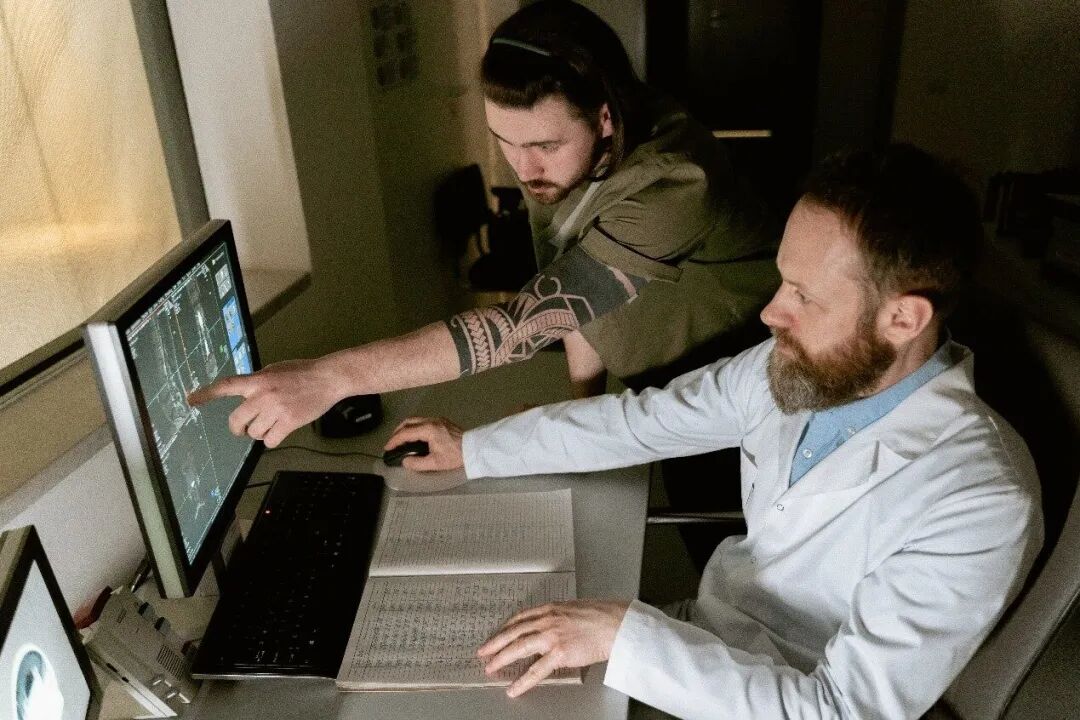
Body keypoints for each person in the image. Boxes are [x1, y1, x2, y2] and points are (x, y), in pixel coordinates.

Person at [383, 145, 1044, 719]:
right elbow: (640, 424)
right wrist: (476, 448)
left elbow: (841, 711)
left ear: (903, 319)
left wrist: (623, 636)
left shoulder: (979, 500)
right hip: (704, 645)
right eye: (782, 280)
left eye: (804, 295)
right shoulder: (802, 365)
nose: (771, 312)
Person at [187, 0, 778, 445]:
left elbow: (530, 321)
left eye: (543, 145)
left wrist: (331, 377)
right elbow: (575, 294)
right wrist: (576, 413)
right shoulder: (566, 157)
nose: (523, 167)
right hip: (671, 388)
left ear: (604, 117)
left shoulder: (676, 184)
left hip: (753, 391)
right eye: (505, 141)